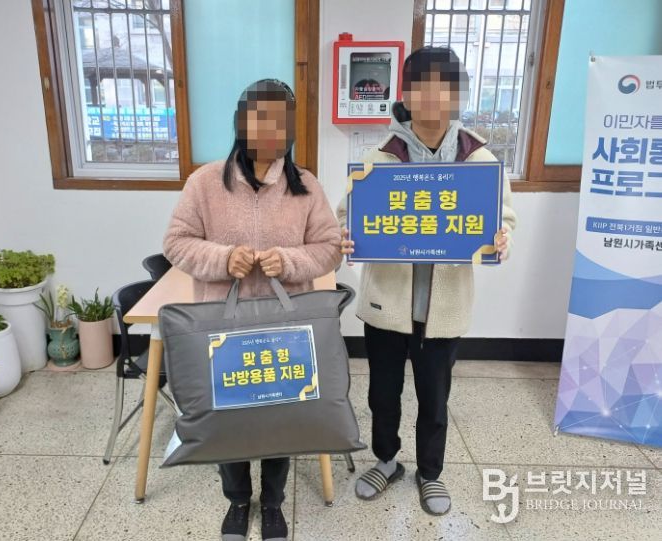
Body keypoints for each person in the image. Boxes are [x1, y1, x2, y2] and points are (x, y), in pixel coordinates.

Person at [337, 47, 517, 516]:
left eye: (444, 86)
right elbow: (346, 215)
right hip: (386, 304)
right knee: (383, 395)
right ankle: (386, 460)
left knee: (435, 398)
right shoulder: (380, 157)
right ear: (406, 94)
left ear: (457, 95)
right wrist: (348, 235)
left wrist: (500, 239)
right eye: (421, 86)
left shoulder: (479, 160)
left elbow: (503, 219)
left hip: (444, 308)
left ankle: (430, 472)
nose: (433, 97)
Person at [163, 79, 342, 541]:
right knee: (230, 419)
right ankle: (238, 501)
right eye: (259, 118)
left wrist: (291, 261)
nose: (269, 130)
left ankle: (275, 502)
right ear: (241, 123)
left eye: (280, 121)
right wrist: (223, 259)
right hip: (223, 329)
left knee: (282, 416)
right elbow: (176, 243)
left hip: (287, 328)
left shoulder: (307, 186)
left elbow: (329, 249)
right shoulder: (205, 182)